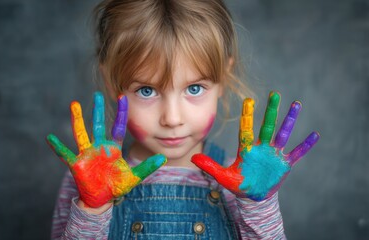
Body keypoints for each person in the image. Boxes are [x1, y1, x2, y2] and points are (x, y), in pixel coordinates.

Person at [47, 0, 319, 239]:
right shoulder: (86, 180)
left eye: (194, 88)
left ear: (223, 77)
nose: (172, 118)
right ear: (111, 83)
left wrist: (258, 207)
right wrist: (93, 210)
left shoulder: (243, 182)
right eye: (147, 90)